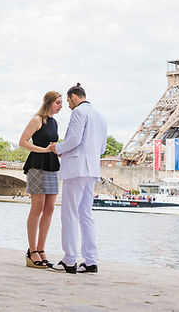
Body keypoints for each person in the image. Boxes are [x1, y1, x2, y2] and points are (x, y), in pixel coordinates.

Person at [50, 82, 107, 274]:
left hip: (76, 169)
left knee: (69, 213)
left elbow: (74, 140)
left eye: (68, 101)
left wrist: (56, 148)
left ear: (74, 97)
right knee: (86, 214)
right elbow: (102, 149)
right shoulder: (101, 117)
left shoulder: (79, 113)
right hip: (92, 170)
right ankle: (90, 260)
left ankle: (69, 258)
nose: (67, 106)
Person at [18, 90, 63, 269]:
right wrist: (43, 149)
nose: (61, 106)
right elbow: (23, 141)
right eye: (58, 103)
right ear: (49, 102)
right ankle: (32, 250)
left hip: (52, 165)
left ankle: (42, 248)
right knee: (37, 208)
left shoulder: (55, 122)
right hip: (37, 164)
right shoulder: (37, 120)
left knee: (50, 208)